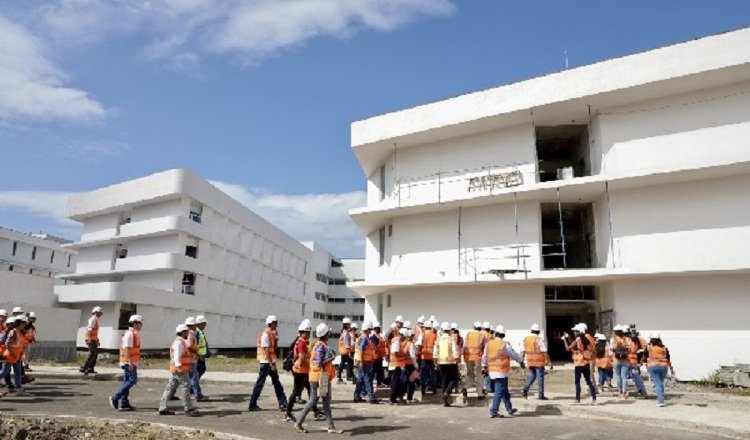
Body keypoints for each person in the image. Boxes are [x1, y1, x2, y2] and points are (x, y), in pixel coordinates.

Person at [294, 323, 344, 434]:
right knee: (317, 401)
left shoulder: (319, 344)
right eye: (328, 332)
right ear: (326, 334)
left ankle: (301, 423)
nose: (330, 333)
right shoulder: (321, 346)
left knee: (320, 401)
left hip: (318, 376)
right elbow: (319, 362)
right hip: (321, 377)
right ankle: (300, 423)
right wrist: (331, 357)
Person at [482, 325, 524, 418]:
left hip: (492, 371)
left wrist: (484, 367)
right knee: (499, 391)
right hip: (501, 371)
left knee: (504, 390)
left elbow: (484, 357)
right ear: (503, 335)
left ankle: (509, 408)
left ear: (495, 333)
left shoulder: (489, 344)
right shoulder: (504, 344)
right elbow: (513, 354)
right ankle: (494, 411)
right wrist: (521, 361)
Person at [285, 321, 323, 422]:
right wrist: (312, 365)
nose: (309, 334)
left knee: (311, 391)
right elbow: (302, 360)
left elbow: (298, 356)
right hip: (301, 371)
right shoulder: (301, 343)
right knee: (296, 392)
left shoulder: (301, 341)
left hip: (303, 371)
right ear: (303, 332)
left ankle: (316, 411)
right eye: (308, 332)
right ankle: (288, 413)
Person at [158, 324, 199, 416]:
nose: (188, 333)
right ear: (183, 332)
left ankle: (162, 407)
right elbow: (177, 356)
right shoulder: (179, 343)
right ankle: (188, 408)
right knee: (186, 387)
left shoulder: (180, 342)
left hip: (177, 369)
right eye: (187, 332)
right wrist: (179, 366)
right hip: (180, 370)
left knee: (170, 388)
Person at [248, 315, 288, 411]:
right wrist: (271, 364)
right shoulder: (266, 334)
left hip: (270, 362)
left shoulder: (271, 334)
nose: (277, 325)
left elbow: (274, 349)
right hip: (266, 363)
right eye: (275, 323)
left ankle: (283, 403)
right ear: (271, 323)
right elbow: (266, 351)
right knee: (260, 384)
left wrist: (276, 338)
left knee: (276, 383)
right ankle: (252, 404)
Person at [111, 314, 143, 411]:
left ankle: (124, 403)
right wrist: (130, 362)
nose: (141, 325)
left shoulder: (134, 333)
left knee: (127, 382)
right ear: (134, 324)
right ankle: (115, 397)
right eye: (140, 323)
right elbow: (127, 349)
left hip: (131, 362)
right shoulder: (130, 334)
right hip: (129, 363)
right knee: (132, 380)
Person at [563, 324, 597, 405]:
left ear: (579, 332)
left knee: (577, 382)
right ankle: (594, 398)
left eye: (576, 331)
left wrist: (564, 339)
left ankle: (577, 399)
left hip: (578, 363)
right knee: (588, 381)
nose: (574, 332)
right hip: (586, 363)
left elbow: (568, 348)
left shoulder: (578, 339)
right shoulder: (587, 339)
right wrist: (569, 338)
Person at [521, 323, 552, 400]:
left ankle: (525, 389)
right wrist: (549, 362)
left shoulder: (525, 339)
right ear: (538, 332)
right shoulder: (539, 340)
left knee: (532, 375)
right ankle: (540, 395)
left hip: (530, 362)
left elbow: (523, 351)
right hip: (539, 362)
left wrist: (521, 361)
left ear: (531, 331)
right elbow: (544, 352)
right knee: (540, 378)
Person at [644, 332, 674, 407]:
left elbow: (645, 356)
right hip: (664, 367)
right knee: (660, 383)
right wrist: (671, 368)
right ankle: (662, 398)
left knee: (657, 384)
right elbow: (668, 358)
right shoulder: (664, 347)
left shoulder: (649, 347)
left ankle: (661, 401)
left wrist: (643, 363)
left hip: (653, 366)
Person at [353, 322, 379, 404]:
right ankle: (371, 397)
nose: (371, 331)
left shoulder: (362, 337)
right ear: (367, 329)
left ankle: (357, 396)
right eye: (370, 329)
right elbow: (361, 350)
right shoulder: (364, 338)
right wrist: (362, 362)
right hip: (364, 361)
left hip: (363, 361)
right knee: (367, 379)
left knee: (360, 379)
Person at [434, 322, 459, 407]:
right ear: (449, 331)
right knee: (453, 379)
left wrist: (435, 361)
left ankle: (446, 401)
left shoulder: (439, 339)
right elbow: (455, 350)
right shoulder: (451, 339)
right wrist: (457, 359)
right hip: (451, 362)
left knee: (444, 381)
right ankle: (447, 393)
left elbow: (435, 351)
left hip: (441, 362)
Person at [1, 316, 28, 394]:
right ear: (20, 323)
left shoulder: (20, 332)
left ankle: (19, 389)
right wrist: (13, 353)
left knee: (18, 373)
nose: (25, 325)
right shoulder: (13, 332)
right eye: (24, 323)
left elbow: (20, 345)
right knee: (3, 372)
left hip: (17, 356)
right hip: (10, 356)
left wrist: (20, 355)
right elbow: (7, 344)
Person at [611, 325, 634, 399]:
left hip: (616, 360)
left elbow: (611, 349)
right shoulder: (627, 339)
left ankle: (620, 392)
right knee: (624, 377)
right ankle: (624, 392)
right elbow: (630, 349)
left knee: (618, 376)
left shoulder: (613, 339)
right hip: (625, 360)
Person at [462, 321, 484, 399]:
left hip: (468, 358)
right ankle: (480, 394)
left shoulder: (468, 334)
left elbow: (464, 346)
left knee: (470, 374)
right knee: (479, 375)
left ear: (474, 327)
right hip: (477, 358)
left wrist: (463, 357)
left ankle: (465, 387)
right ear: (480, 328)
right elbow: (484, 347)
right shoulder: (481, 335)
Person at [80, 306, 103, 375]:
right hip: (90, 339)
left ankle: (90, 368)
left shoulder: (95, 319)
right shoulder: (93, 319)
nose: (101, 315)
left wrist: (97, 340)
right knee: (92, 354)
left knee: (95, 354)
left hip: (93, 339)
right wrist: (90, 339)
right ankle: (84, 368)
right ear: (96, 313)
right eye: (100, 313)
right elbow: (90, 329)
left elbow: (94, 332)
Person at [418, 320, 437, 395]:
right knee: (432, 374)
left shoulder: (422, 334)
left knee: (423, 374)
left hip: (424, 357)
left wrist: (419, 351)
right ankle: (433, 389)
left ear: (425, 327)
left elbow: (419, 344)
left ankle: (423, 389)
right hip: (431, 357)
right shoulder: (433, 335)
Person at [194, 315, 209, 401]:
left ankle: (193, 388)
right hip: (198, 357)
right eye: (204, 323)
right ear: (199, 324)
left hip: (201, 356)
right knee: (195, 374)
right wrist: (199, 356)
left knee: (201, 370)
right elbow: (195, 345)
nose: (205, 325)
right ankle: (196, 391)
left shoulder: (200, 332)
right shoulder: (197, 333)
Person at [336, 318, 354, 384]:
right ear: (346, 325)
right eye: (349, 324)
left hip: (343, 350)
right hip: (345, 350)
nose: (349, 325)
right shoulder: (346, 332)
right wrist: (348, 351)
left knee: (349, 362)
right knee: (344, 363)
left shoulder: (343, 331)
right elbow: (346, 342)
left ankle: (350, 375)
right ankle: (339, 376)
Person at [372, 322, 387, 387]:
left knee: (379, 370)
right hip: (375, 357)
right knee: (375, 370)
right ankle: (377, 383)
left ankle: (379, 382)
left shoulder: (379, 336)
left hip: (379, 356)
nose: (380, 329)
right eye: (379, 328)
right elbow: (374, 347)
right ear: (376, 328)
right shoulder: (374, 337)